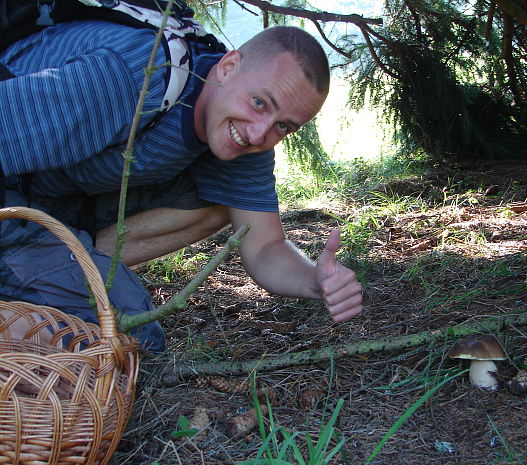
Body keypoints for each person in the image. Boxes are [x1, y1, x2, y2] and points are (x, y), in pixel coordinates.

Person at [0, 21, 363, 352]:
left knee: (222, 206)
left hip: (51, 197)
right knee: (130, 338)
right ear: (228, 67)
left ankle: (69, 267)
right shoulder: (133, 77)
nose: (259, 133)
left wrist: (314, 280)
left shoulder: (248, 137)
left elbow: (265, 244)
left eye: (284, 126)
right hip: (9, 189)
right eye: (259, 103)